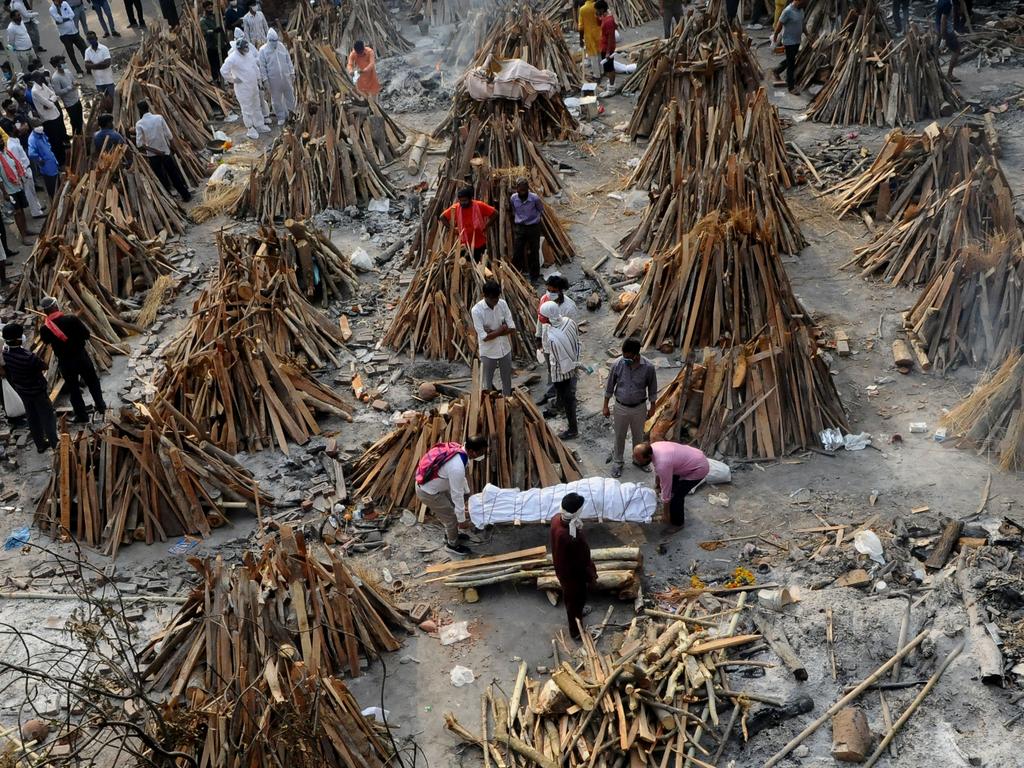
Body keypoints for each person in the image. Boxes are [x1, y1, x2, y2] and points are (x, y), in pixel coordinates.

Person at [414, 435, 488, 557]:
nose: (481, 455)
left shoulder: (460, 451)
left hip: (435, 487)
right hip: (428, 493)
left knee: (452, 511)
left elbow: (462, 480)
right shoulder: (456, 467)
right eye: (480, 452)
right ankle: (452, 545)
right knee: (451, 517)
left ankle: (451, 534)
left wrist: (468, 493)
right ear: (471, 451)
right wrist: (462, 521)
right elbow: (456, 495)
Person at [37, 297, 106, 422]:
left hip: (66, 362)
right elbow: (86, 335)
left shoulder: (45, 328)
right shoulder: (71, 319)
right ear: (56, 307)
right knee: (93, 382)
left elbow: (46, 341)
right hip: (81, 357)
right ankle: (101, 406)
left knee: (73, 389)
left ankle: (82, 416)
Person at [603, 338, 658, 479]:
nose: (625, 359)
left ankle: (638, 460)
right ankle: (618, 461)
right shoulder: (617, 364)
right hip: (620, 406)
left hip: (639, 407)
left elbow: (652, 389)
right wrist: (605, 406)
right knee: (619, 436)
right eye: (623, 355)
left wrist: (652, 407)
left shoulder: (648, 367)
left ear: (636, 354)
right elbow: (609, 386)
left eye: (628, 356)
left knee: (638, 436)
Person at [1, 323, 58, 451]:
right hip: (37, 391)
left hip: (22, 391)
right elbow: (44, 366)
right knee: (48, 417)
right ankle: (55, 443)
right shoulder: (28, 357)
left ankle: (40, 445)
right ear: (18, 339)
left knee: (33, 418)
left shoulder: (6, 354)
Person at [550, 492, 597, 641]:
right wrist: (590, 574)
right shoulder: (569, 536)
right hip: (572, 574)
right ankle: (575, 631)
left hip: (563, 568)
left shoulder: (556, 519)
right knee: (573, 601)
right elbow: (580, 560)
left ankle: (580, 610)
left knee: (578, 597)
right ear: (576, 511)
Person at [632, 441, 709, 529]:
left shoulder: (662, 463)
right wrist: (657, 486)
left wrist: (665, 514)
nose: (637, 460)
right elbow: (658, 470)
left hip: (698, 468)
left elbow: (666, 489)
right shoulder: (653, 447)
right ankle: (672, 507)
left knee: (676, 498)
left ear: (648, 456)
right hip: (690, 457)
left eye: (639, 459)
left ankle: (678, 524)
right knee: (671, 489)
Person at [134, 100, 191, 201]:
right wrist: (170, 149)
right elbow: (169, 135)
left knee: (161, 178)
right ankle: (185, 196)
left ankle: (169, 200)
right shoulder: (159, 118)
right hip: (165, 152)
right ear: (148, 107)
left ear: (139, 110)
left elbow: (139, 144)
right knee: (174, 175)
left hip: (153, 156)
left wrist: (153, 150)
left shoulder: (139, 124)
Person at [535, 274, 577, 408]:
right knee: (551, 370)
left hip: (562, 346)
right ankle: (553, 394)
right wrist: (538, 336)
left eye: (553, 291)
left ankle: (566, 398)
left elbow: (573, 330)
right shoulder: (544, 299)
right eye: (548, 290)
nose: (550, 293)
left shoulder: (569, 307)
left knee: (565, 371)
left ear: (560, 290)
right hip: (548, 343)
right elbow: (540, 320)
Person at [540, 300, 580, 440]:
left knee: (568, 397)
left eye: (542, 315)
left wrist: (557, 378)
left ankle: (573, 429)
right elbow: (576, 341)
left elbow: (557, 361)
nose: (540, 317)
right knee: (565, 395)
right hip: (573, 362)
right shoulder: (569, 321)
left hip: (562, 371)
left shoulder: (552, 337)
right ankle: (558, 405)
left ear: (547, 317)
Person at [471, 280, 516, 397]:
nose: (495, 300)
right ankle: (490, 404)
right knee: (488, 381)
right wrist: (501, 329)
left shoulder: (502, 304)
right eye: (492, 298)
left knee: (507, 379)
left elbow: (511, 327)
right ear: (484, 296)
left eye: (497, 297)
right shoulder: (477, 311)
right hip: (488, 352)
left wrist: (493, 333)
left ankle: (507, 400)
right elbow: (484, 337)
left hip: (504, 348)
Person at [220, 35, 268, 140]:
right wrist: (233, 80)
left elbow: (254, 67)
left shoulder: (248, 53)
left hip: (253, 86)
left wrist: (259, 79)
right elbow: (223, 71)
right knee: (247, 109)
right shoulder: (232, 58)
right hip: (243, 89)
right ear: (239, 49)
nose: (246, 50)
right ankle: (250, 128)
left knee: (256, 105)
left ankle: (259, 124)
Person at [440, 186, 495, 260]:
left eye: (465, 200)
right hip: (464, 244)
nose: (463, 203)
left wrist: (486, 226)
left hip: (480, 243)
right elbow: (442, 217)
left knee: (481, 264)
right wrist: (452, 228)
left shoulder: (479, 205)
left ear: (470, 199)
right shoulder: (456, 208)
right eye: (461, 201)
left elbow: (495, 214)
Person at [2, 120, 44, 217]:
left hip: (26, 169)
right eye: (14, 127)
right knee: (29, 192)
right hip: (25, 171)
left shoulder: (14, 141)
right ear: (11, 131)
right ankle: (36, 212)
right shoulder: (12, 146)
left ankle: (37, 207)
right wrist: (24, 174)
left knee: (32, 191)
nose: (17, 128)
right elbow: (17, 162)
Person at [28, 72, 66, 166]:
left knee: (59, 139)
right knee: (55, 142)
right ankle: (60, 163)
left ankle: (63, 158)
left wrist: (51, 100)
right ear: (36, 79)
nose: (42, 78)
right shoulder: (35, 91)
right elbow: (49, 104)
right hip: (49, 119)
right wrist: (51, 101)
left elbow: (53, 95)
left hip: (55, 115)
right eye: (40, 77)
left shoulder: (43, 85)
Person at [258, 28, 294, 125]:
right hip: (273, 80)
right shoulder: (263, 50)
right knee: (276, 99)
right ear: (268, 40)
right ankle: (281, 116)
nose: (275, 43)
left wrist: (291, 72)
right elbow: (262, 67)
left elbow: (288, 60)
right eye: (273, 41)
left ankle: (292, 114)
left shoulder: (281, 46)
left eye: (276, 40)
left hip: (285, 77)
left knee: (290, 96)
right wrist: (265, 80)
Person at [510, 177, 543, 282]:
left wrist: (533, 219)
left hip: (533, 227)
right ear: (517, 189)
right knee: (517, 251)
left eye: (524, 189)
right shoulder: (513, 198)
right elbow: (513, 210)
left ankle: (534, 276)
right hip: (520, 227)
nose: (522, 192)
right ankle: (517, 273)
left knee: (534, 252)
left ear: (528, 188)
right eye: (520, 190)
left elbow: (540, 209)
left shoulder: (535, 198)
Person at [0, 138, 32, 244]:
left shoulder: (7, 153)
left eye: (1, 140)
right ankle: (23, 236)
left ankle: (26, 229)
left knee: (22, 210)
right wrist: (5, 193)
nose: (1, 142)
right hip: (10, 190)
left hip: (17, 185)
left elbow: (15, 166)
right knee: (17, 212)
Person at [772, 0, 805, 95]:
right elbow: (780, 23)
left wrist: (807, 34)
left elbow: (802, 23)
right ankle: (791, 87)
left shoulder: (801, 10)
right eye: (804, 2)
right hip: (789, 41)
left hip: (797, 40)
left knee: (791, 59)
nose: (805, 4)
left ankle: (777, 70)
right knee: (791, 64)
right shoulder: (788, 11)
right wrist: (775, 35)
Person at [49, 0, 85, 75]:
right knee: (71, 53)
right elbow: (59, 20)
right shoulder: (52, 9)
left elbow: (72, 14)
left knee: (84, 48)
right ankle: (79, 70)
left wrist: (63, 19)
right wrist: (66, 18)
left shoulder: (64, 3)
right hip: (64, 35)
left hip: (74, 31)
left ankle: (89, 67)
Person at [50, 55, 80, 134]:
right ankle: (76, 138)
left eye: (64, 62)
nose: (64, 64)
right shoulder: (55, 78)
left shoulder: (67, 71)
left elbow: (73, 80)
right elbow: (58, 92)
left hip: (76, 99)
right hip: (69, 103)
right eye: (62, 63)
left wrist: (75, 83)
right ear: (57, 65)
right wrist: (70, 87)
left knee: (80, 121)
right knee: (75, 122)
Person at [27, 125, 58, 199]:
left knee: (57, 183)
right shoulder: (32, 139)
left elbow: (47, 143)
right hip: (47, 168)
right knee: (53, 188)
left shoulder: (41, 133)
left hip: (52, 163)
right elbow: (31, 153)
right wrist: (39, 159)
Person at [200, 1, 227, 85]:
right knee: (214, 65)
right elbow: (205, 31)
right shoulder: (203, 20)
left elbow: (222, 30)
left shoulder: (216, 17)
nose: (210, 9)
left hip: (221, 45)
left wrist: (225, 41)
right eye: (208, 8)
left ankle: (225, 79)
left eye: (211, 7)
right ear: (205, 9)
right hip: (212, 46)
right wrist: (214, 31)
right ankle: (216, 80)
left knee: (223, 62)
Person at [83, 30, 114, 102]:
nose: (91, 41)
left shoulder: (104, 48)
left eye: (92, 39)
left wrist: (92, 65)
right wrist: (100, 64)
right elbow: (87, 66)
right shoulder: (87, 51)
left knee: (113, 99)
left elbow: (107, 64)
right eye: (89, 39)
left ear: (96, 38)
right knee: (104, 101)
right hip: (98, 82)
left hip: (108, 80)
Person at [596, 0, 617, 97]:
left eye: (598, 10)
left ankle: (611, 88)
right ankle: (610, 85)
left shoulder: (608, 21)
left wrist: (608, 52)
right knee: (608, 69)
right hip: (604, 47)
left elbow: (610, 38)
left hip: (607, 48)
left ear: (602, 9)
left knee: (610, 69)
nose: (596, 12)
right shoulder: (606, 18)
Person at [936, 0, 960, 82]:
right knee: (957, 50)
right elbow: (943, 20)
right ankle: (949, 74)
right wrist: (944, 37)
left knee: (936, 52)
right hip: (946, 31)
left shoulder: (941, 1)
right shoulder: (948, 3)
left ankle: (937, 73)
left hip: (938, 29)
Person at [577, 0, 600, 81]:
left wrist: (581, 39)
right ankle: (602, 71)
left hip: (589, 34)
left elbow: (581, 27)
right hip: (598, 33)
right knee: (599, 53)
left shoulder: (582, 9)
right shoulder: (597, 5)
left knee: (593, 55)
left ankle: (597, 75)